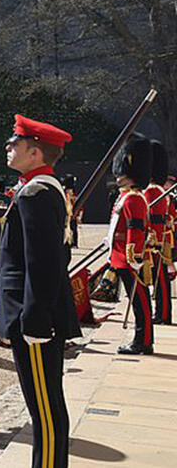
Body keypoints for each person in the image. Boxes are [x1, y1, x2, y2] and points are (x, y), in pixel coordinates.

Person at [0, 114, 81, 468]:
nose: (8, 147)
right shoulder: (44, 188)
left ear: (35, 152)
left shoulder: (35, 192)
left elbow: (42, 263)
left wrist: (33, 319)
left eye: (14, 143)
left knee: (44, 412)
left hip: (33, 318)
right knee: (47, 407)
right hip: (35, 312)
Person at [107, 136, 155, 355]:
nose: (118, 176)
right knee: (137, 299)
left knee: (140, 301)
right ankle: (141, 339)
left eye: (122, 173)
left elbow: (135, 230)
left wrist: (134, 258)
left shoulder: (134, 198)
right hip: (122, 256)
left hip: (130, 259)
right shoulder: (127, 196)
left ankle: (142, 340)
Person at [145, 141, 173, 325]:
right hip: (158, 240)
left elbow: (154, 221)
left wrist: (151, 243)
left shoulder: (153, 191)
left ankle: (163, 314)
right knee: (160, 278)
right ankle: (162, 312)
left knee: (160, 278)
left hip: (156, 242)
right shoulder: (156, 190)